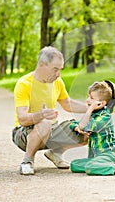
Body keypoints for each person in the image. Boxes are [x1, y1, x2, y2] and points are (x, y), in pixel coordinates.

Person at [12, 46, 88, 175]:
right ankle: (27, 161)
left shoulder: (57, 82)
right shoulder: (24, 83)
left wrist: (91, 108)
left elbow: (67, 104)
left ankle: (55, 153)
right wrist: (41, 115)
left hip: (50, 131)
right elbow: (23, 119)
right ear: (42, 65)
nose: (58, 74)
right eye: (55, 69)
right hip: (24, 133)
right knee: (45, 122)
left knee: (86, 129)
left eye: (60, 70)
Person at [69, 81, 115, 176]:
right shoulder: (94, 114)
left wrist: (89, 110)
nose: (88, 100)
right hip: (96, 157)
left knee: (90, 167)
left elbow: (83, 125)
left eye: (91, 98)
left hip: (110, 154)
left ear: (101, 103)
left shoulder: (104, 117)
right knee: (74, 164)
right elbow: (74, 123)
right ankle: (101, 166)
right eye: (88, 96)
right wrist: (77, 128)